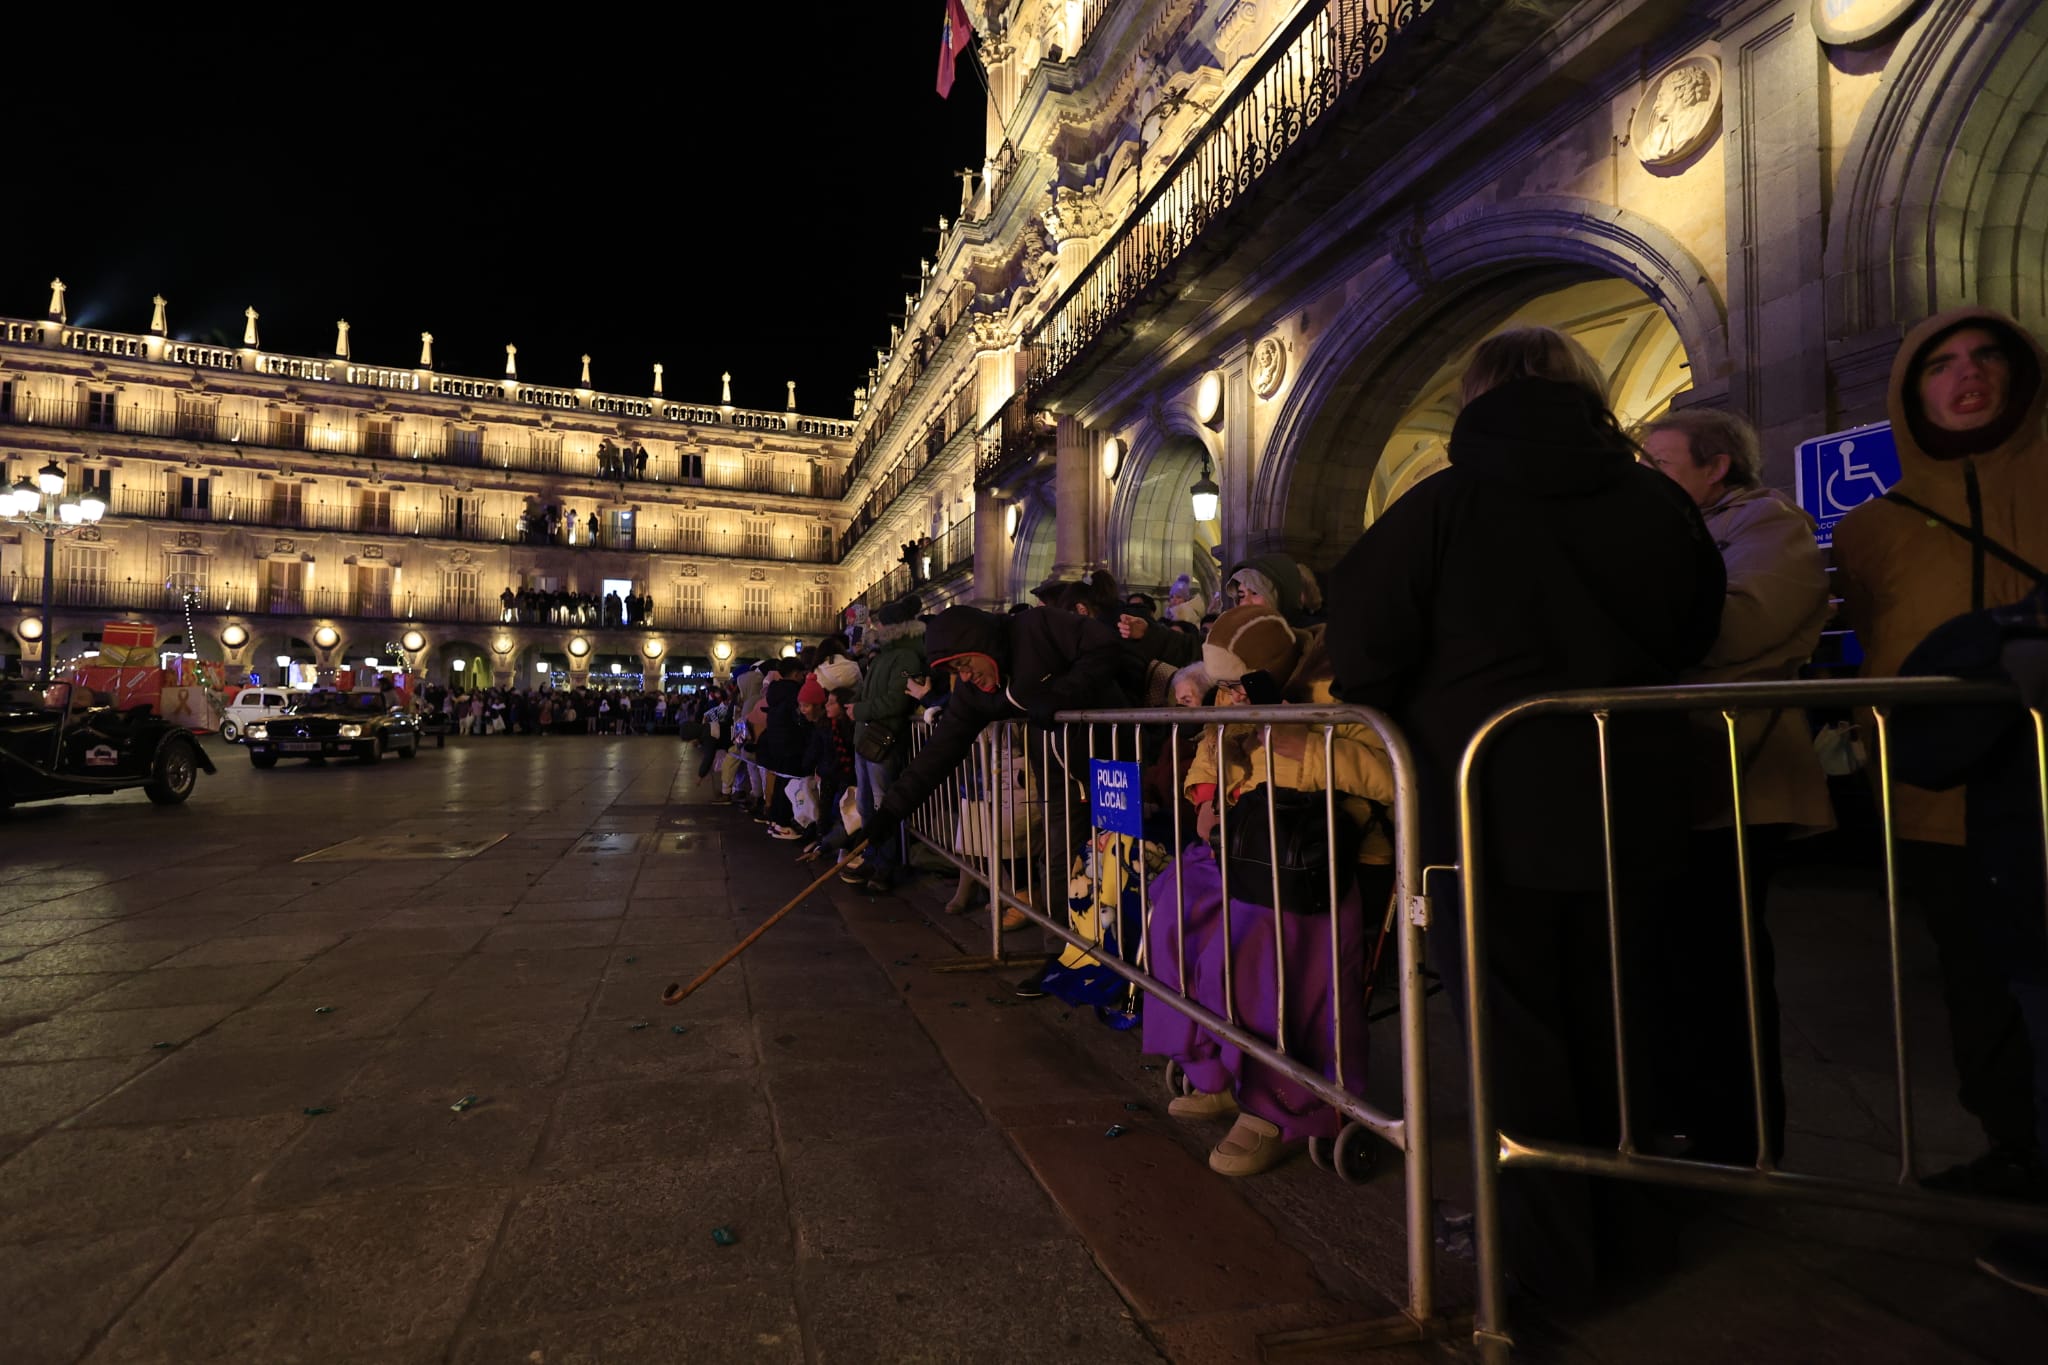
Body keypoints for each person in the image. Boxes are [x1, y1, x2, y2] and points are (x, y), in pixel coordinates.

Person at [1325, 325, 1725, 1305]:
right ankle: (1630, 1231)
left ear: (1473, 397)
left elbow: (1364, 652)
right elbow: (1694, 628)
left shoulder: (1437, 508)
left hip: (1483, 810)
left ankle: (1545, 1258)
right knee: (1621, 1028)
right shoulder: (1656, 502)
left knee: (1515, 1040)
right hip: (1630, 801)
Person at [1833, 306, 2048, 1201]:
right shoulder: (1869, 528)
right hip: (1939, 803)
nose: (1971, 374)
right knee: (1978, 989)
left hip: (2041, 792)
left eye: (1988, 356)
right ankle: (2016, 1149)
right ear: (1910, 391)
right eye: (1943, 363)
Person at [1639, 407, 1834, 1164]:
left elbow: (1744, 625)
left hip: (1742, 778)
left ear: (1717, 464)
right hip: (1679, 778)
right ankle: (1682, 1118)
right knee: (1671, 964)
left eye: (1661, 462)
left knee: (1721, 966)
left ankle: (1741, 1140)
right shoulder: (1672, 529)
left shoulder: (1768, 524)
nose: (1648, 476)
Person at [1146, 604, 1396, 1176]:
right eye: (1223, 687)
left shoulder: (1345, 684)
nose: (1228, 696)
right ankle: (1216, 1068)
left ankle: (1281, 1107)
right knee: (1173, 901)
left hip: (1318, 859)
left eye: (1235, 685)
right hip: (1242, 844)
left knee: (1259, 946)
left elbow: (1389, 774)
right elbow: (1210, 749)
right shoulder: (1234, 692)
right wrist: (1205, 793)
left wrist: (1301, 746)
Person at [856, 604, 1133, 989]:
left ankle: (1128, 963)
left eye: (965, 664)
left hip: (1114, 764)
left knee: (1120, 860)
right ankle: (1063, 957)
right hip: (1058, 777)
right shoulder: (974, 693)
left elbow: (1103, 645)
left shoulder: (1038, 626)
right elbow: (938, 755)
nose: (965, 676)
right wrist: (888, 815)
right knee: (1057, 863)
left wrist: (1061, 693)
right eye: (955, 672)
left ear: (982, 644)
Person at [846, 594, 926, 894]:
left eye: (878, 624)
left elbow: (897, 700)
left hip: (883, 739)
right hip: (867, 738)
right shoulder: (883, 656)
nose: (872, 628)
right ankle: (873, 855)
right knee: (867, 805)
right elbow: (868, 692)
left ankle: (885, 864)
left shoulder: (905, 658)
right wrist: (855, 706)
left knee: (883, 805)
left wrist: (860, 710)